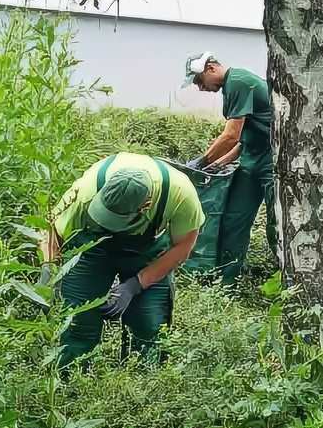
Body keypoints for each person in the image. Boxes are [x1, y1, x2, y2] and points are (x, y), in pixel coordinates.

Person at [43, 152, 205, 370]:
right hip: (91, 247)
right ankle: (68, 377)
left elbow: (183, 247)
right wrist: (49, 271)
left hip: (146, 251)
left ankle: (146, 379)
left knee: (149, 324)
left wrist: (135, 284)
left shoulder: (179, 193)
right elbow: (52, 229)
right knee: (76, 320)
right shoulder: (89, 187)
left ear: (146, 206)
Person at [181, 51, 276, 284]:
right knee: (234, 221)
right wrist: (215, 166)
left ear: (211, 68)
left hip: (272, 162)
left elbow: (231, 136)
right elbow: (243, 141)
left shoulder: (239, 82)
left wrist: (201, 163)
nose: (200, 88)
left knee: (278, 224)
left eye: (199, 81)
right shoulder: (230, 88)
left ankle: (288, 283)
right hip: (250, 160)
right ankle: (227, 283)